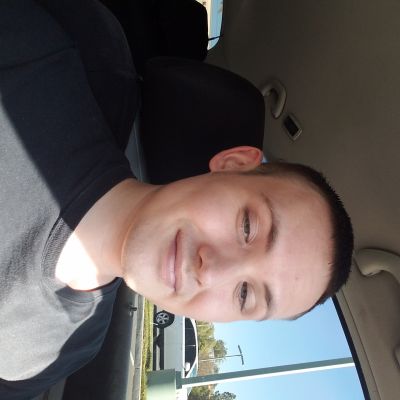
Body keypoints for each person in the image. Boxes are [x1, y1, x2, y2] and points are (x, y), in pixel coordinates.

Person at [0, 1, 353, 399]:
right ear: (233, 164)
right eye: (248, 226)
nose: (212, 270)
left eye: (244, 294)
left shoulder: (70, 350)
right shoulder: (53, 61)